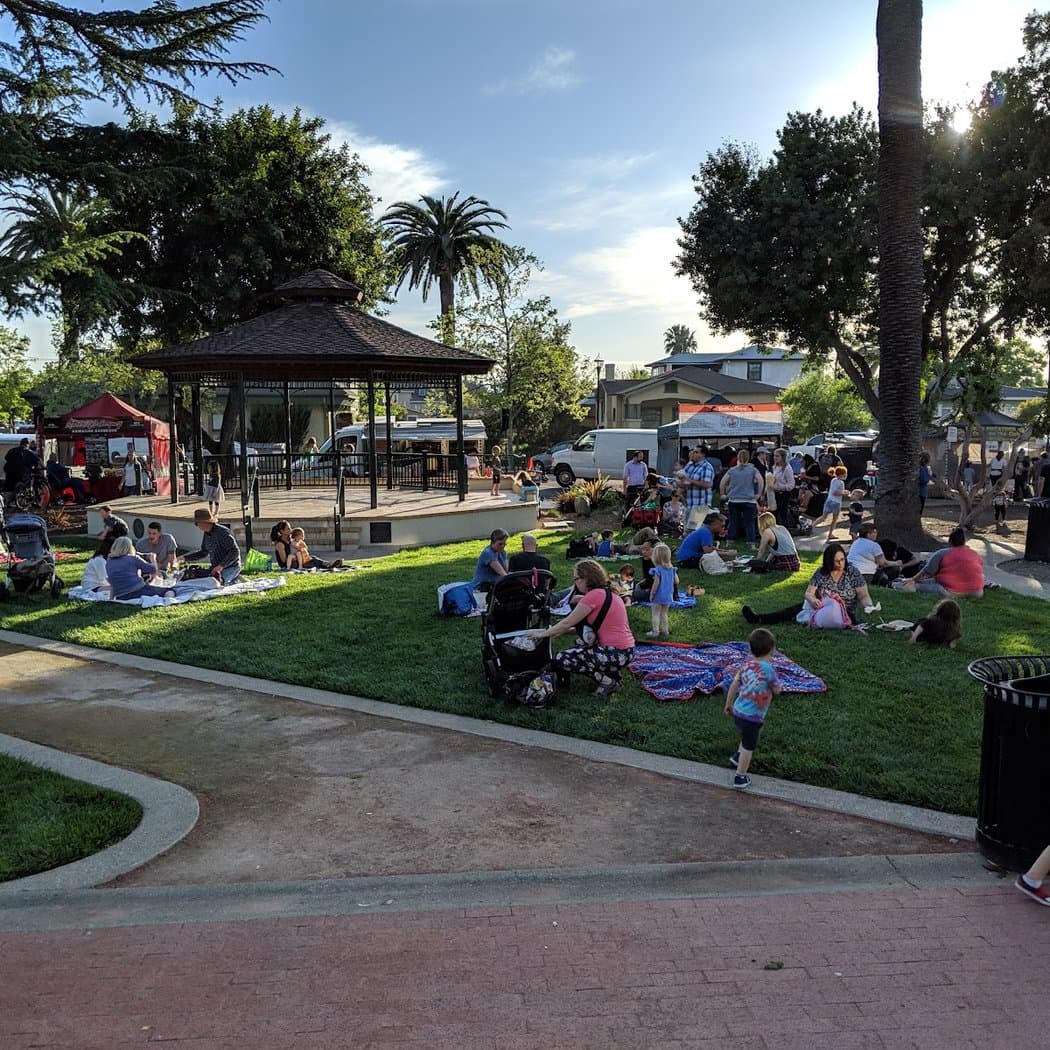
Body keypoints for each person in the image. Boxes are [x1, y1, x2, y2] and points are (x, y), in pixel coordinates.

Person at [522, 558, 635, 699]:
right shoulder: (609, 593)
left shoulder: (593, 596)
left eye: (576, 579)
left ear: (586, 578)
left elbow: (567, 623)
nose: (575, 583)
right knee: (580, 643)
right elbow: (582, 628)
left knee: (562, 658)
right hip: (626, 651)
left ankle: (607, 682)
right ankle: (611, 672)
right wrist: (553, 633)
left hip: (615, 653)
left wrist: (542, 634)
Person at [742, 543, 876, 626]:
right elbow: (809, 593)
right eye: (837, 561)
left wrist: (869, 607)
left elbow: (863, 595)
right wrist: (813, 600)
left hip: (845, 612)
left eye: (842, 559)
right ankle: (759, 619)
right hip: (820, 607)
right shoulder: (821, 572)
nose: (841, 564)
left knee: (799, 613)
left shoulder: (852, 572)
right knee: (789, 611)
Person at [724, 628, 781, 790]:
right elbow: (777, 690)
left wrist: (728, 704)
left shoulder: (746, 666)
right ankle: (740, 776)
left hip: (738, 711)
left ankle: (737, 756)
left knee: (745, 735)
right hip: (753, 716)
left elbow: (734, 684)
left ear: (750, 649)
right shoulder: (769, 670)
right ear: (772, 649)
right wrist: (776, 689)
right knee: (749, 746)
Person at [900, 527, 985, 597]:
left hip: (950, 590)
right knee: (931, 582)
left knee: (915, 585)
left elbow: (927, 572)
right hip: (977, 591)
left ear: (950, 541)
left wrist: (913, 580)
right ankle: (902, 580)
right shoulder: (975, 554)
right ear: (964, 542)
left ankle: (897, 584)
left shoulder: (943, 553)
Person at [183, 507, 243, 585]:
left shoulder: (222, 532)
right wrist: (184, 558)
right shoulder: (207, 533)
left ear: (204, 522)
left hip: (231, 567)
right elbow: (203, 552)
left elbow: (235, 552)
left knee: (216, 583)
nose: (197, 526)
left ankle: (234, 579)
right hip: (215, 568)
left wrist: (221, 566)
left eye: (197, 523)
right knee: (195, 576)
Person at [106, 535, 176, 600]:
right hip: (138, 591)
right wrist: (153, 559)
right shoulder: (133, 558)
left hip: (121, 596)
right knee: (169, 590)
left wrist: (111, 599)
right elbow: (153, 569)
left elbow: (112, 583)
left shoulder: (109, 562)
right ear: (129, 547)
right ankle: (168, 601)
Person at [719, 448, 763, 544]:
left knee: (733, 522)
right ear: (748, 458)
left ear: (738, 458)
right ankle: (750, 542)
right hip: (749, 500)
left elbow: (722, 482)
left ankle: (730, 540)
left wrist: (723, 494)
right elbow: (760, 480)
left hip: (734, 499)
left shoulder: (732, 470)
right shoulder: (753, 470)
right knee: (749, 523)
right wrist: (759, 494)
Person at [646, 542, 678, 639]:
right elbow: (677, 581)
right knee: (664, 614)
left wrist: (652, 594)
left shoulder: (658, 570)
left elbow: (656, 584)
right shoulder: (672, 569)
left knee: (655, 613)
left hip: (659, 595)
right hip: (668, 595)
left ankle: (655, 631)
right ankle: (665, 631)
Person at [681, 445, 715, 532]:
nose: (693, 454)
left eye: (696, 452)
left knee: (694, 531)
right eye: (693, 452)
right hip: (689, 504)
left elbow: (707, 484)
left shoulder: (707, 467)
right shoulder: (690, 466)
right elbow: (683, 479)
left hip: (700, 505)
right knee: (687, 531)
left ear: (702, 455)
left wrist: (690, 481)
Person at [770, 448, 795, 526]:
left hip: (783, 495)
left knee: (783, 515)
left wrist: (778, 487)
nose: (775, 458)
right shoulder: (774, 467)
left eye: (777, 456)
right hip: (774, 494)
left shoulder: (787, 468)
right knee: (773, 514)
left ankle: (785, 530)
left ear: (783, 457)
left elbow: (791, 485)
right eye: (774, 456)